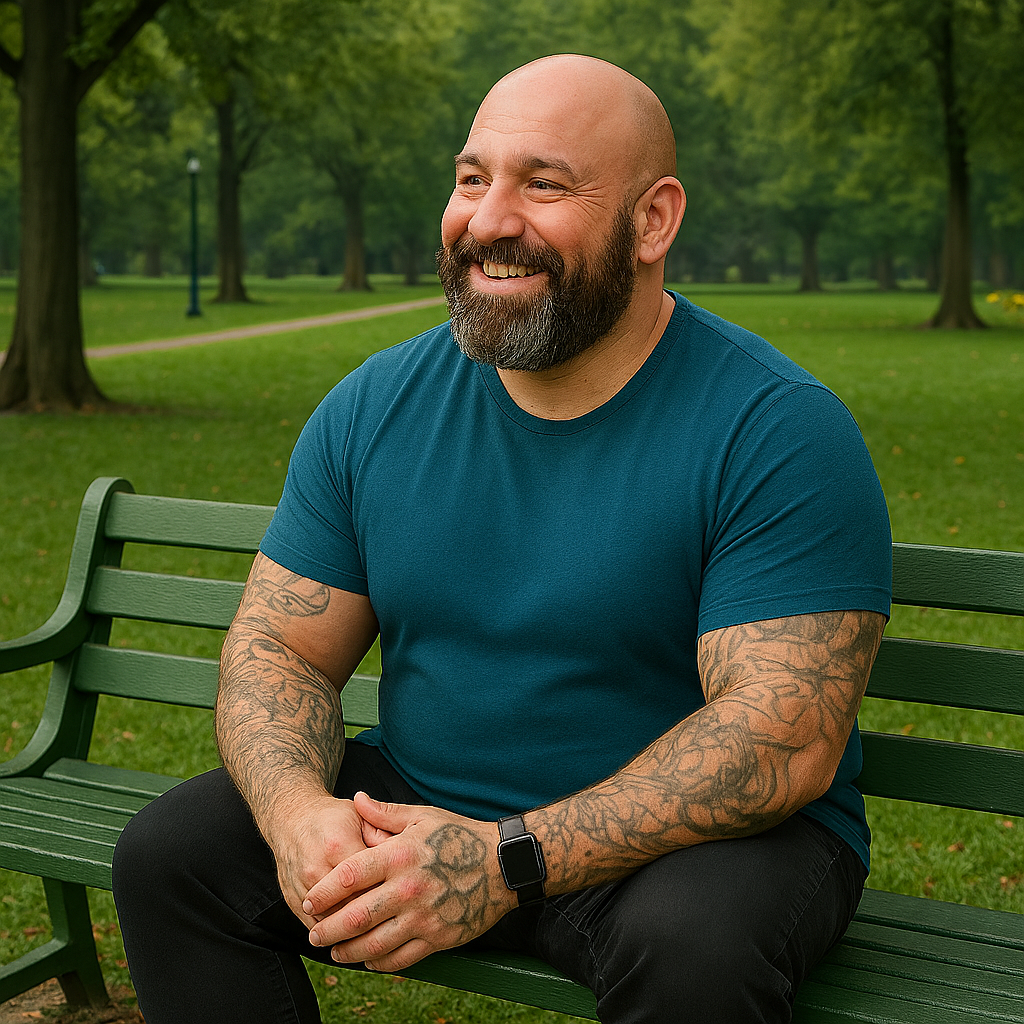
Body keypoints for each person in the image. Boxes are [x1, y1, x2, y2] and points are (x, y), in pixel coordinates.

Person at [112, 54, 892, 1024]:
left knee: (694, 955)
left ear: (653, 220)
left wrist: (503, 858)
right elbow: (280, 646)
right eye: (473, 177)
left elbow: (783, 740)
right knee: (173, 859)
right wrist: (298, 815)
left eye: (544, 183)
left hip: (694, 846)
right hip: (424, 796)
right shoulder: (375, 407)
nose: (488, 220)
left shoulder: (774, 429)